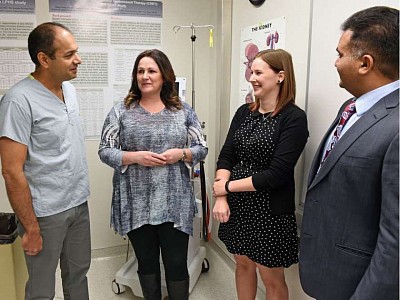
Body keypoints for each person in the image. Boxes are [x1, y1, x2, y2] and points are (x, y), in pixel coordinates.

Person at [299, 6, 399, 300]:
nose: (335, 62)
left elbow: (395, 240)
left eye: (341, 54)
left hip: (358, 285)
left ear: (365, 63)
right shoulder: (351, 109)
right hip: (329, 272)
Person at [98, 49, 208, 300]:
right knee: (146, 263)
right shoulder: (121, 111)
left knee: (176, 264)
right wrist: (134, 157)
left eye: (151, 71)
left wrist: (180, 154)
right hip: (136, 204)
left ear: (164, 75)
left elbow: (201, 148)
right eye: (140, 71)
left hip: (174, 204)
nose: (145, 76)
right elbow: (105, 150)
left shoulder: (182, 111)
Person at [0, 22, 91, 299]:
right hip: (45, 213)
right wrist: (30, 228)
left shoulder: (69, 90)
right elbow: (12, 172)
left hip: (78, 204)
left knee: (78, 276)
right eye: (68, 55)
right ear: (44, 59)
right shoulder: (18, 101)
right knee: (41, 289)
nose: (78, 59)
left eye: (76, 52)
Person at [213, 49, 308, 300]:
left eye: (258, 72)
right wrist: (221, 196)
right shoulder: (245, 113)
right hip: (238, 207)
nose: (252, 78)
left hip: (270, 211)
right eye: (251, 72)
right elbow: (227, 155)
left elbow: (275, 175)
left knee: (271, 277)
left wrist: (227, 188)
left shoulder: (293, 119)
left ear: (280, 76)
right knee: (242, 265)